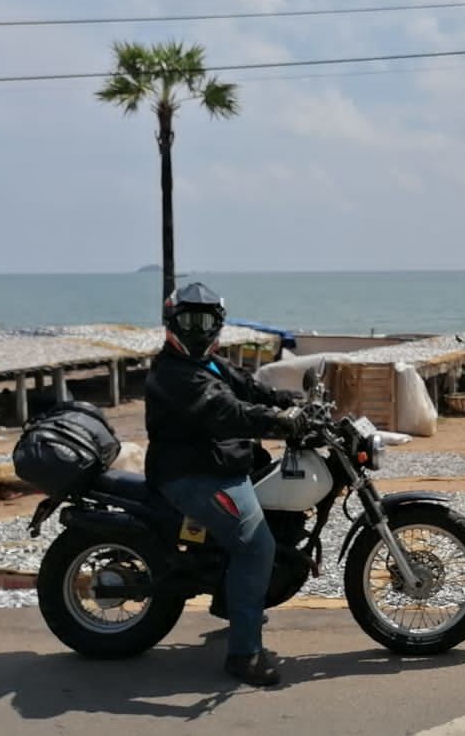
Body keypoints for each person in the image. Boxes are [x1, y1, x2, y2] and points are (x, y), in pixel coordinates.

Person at [144, 282, 305, 687]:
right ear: (172, 322)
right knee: (256, 545)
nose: (197, 329)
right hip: (189, 474)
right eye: (189, 320)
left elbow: (248, 387)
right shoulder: (176, 373)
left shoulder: (207, 363)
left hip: (215, 462)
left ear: (217, 323)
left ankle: (231, 597)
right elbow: (227, 411)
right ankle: (244, 654)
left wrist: (290, 401)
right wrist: (278, 422)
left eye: (205, 321)